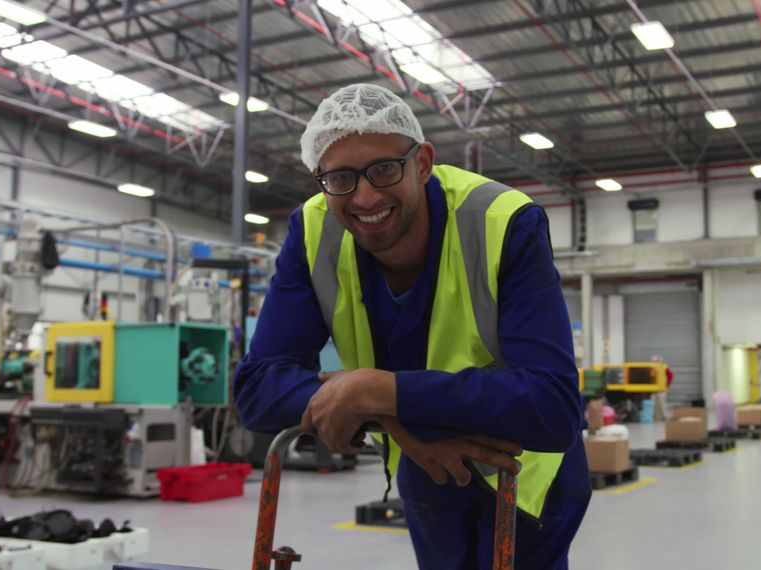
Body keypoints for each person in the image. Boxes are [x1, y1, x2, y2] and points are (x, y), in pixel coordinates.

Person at [234, 83, 590, 569]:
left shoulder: (503, 222)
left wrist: (376, 391)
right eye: (339, 177)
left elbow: (552, 408)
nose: (364, 196)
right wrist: (394, 419)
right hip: (428, 466)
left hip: (524, 474)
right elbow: (256, 390)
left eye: (384, 169)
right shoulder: (314, 230)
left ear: (422, 163)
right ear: (320, 179)